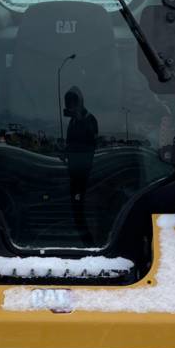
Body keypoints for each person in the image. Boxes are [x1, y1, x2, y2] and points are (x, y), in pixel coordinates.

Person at [63, 85, 99, 242]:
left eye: (73, 101)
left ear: (80, 102)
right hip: (72, 170)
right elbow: (70, 142)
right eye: (68, 102)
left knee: (84, 206)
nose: (71, 105)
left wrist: (80, 118)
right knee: (75, 207)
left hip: (86, 172)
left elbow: (91, 143)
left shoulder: (90, 119)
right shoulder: (72, 122)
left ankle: (88, 241)